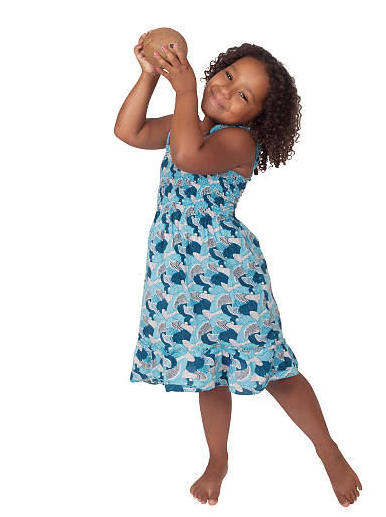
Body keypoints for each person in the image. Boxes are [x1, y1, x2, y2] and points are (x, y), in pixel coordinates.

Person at [114, 31, 362, 507]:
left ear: (257, 118)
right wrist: (149, 76)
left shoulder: (235, 142)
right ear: (217, 66)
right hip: (179, 275)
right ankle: (217, 459)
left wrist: (185, 90)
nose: (226, 91)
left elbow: (187, 156)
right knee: (208, 375)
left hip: (229, 277)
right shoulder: (194, 122)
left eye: (243, 95)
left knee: (275, 371)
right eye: (228, 76)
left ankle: (328, 451)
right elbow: (130, 132)